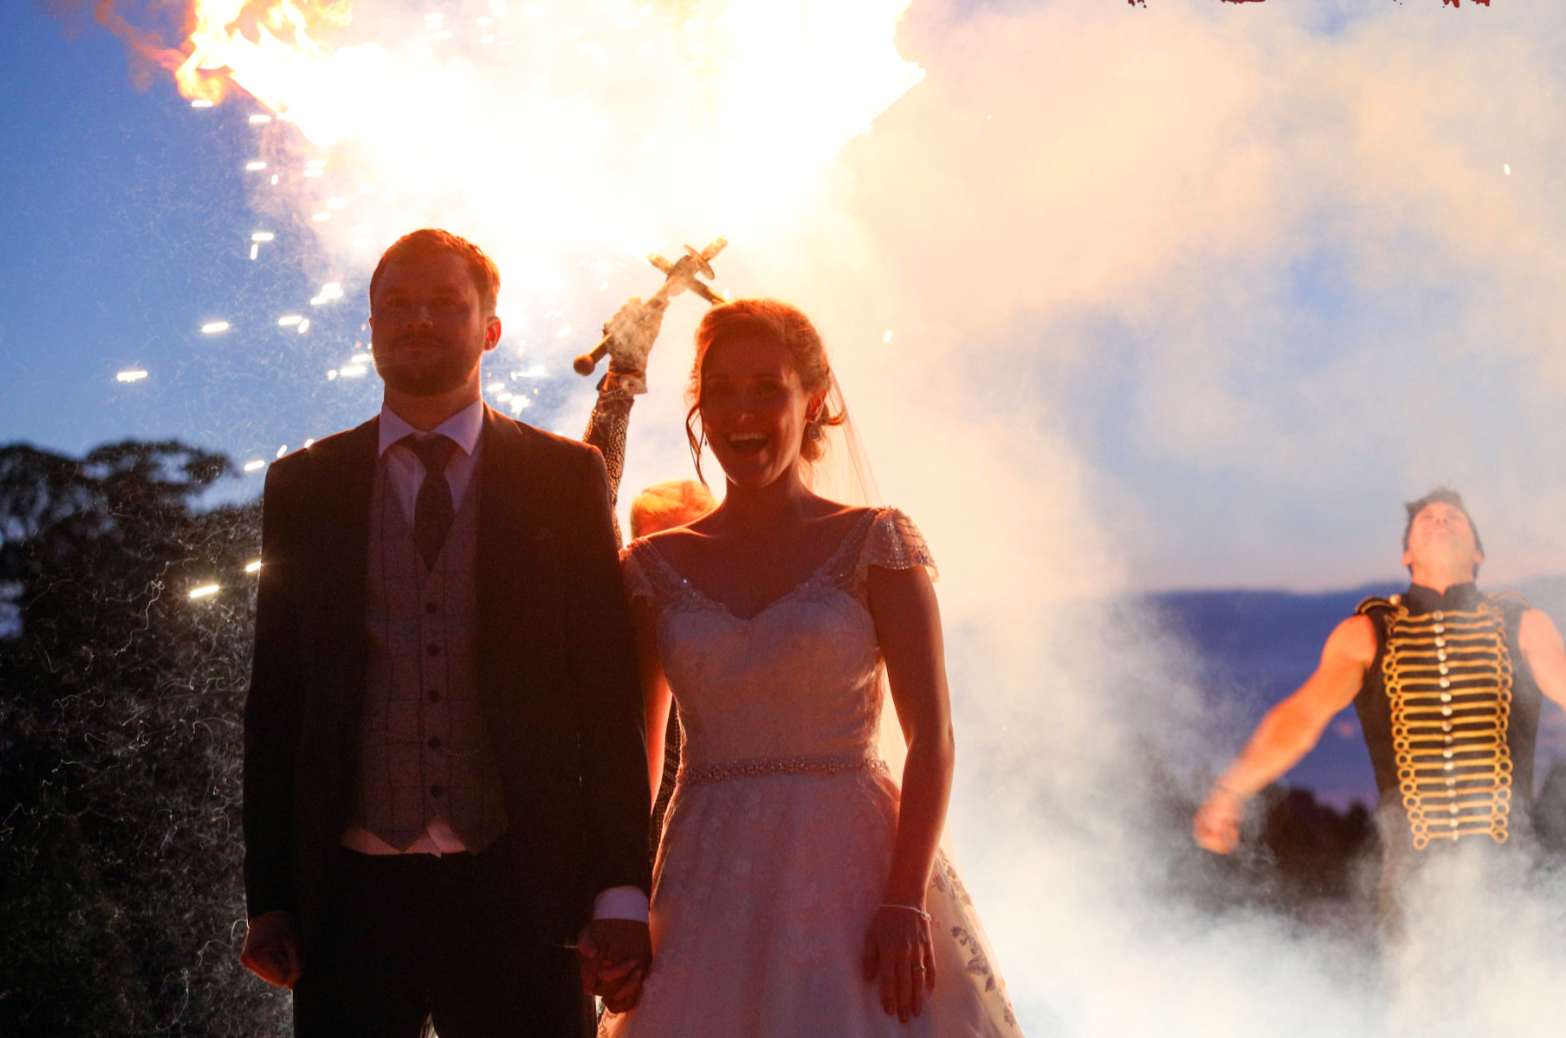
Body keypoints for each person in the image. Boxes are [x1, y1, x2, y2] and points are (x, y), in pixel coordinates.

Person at [239, 229, 653, 1037]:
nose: (417, 319)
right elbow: (276, 703)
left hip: (524, 890)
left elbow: (609, 702)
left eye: (444, 303)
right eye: (396, 304)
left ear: (490, 328)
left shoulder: (564, 479)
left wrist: (619, 890)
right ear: (370, 327)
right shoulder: (304, 484)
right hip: (348, 901)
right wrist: (272, 899)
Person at [601, 299, 1022, 1036]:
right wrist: (623, 900)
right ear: (700, 407)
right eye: (721, 390)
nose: (741, 410)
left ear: (814, 400)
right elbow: (639, 753)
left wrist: (905, 899)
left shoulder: (878, 544)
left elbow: (932, 738)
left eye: (767, 387)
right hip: (706, 872)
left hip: (856, 870)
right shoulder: (652, 568)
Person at [1193, 488, 1566, 917]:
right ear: (1407, 554)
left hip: (1511, 880)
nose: (1440, 520)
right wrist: (1231, 791)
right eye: (1426, 518)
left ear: (1479, 552)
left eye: (1454, 518)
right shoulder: (1364, 633)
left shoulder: (1525, 626)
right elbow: (1302, 716)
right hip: (1411, 888)